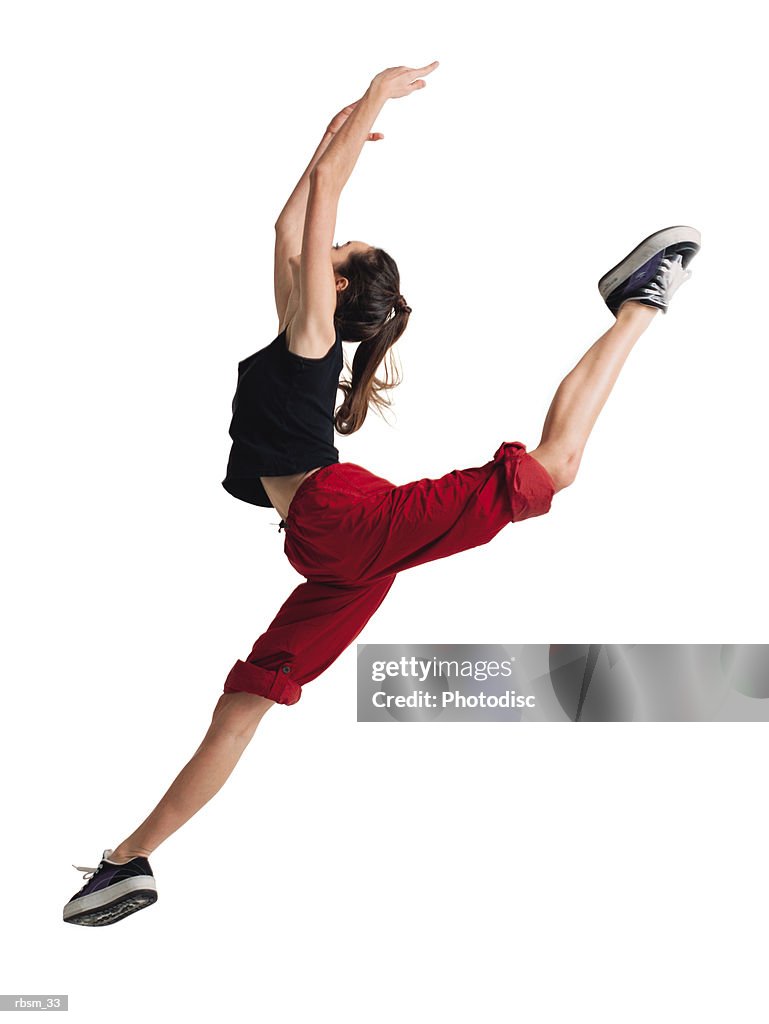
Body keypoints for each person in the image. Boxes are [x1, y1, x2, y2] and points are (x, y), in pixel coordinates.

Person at [63, 61, 700, 926]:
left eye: (338, 246)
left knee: (552, 469)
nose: (322, 246)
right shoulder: (302, 324)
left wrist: (373, 95)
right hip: (331, 545)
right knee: (245, 703)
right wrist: (332, 137)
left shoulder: (312, 330)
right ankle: (126, 861)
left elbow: (316, 204)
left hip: (341, 524)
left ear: (335, 289)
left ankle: (637, 304)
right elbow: (289, 223)